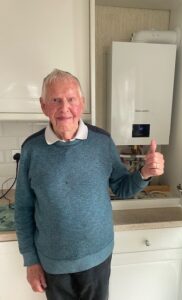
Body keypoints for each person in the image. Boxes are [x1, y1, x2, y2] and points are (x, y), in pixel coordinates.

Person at [15, 69, 164, 300]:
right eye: (55, 100)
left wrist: (144, 172)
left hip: (98, 259)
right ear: (44, 106)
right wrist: (30, 261)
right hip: (53, 264)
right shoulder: (31, 150)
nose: (64, 108)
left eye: (71, 99)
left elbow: (122, 187)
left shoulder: (102, 142)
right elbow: (23, 209)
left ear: (82, 103)